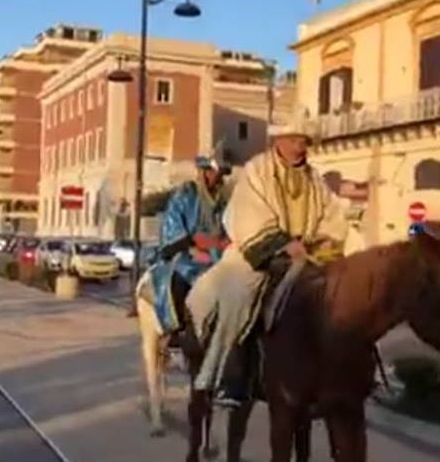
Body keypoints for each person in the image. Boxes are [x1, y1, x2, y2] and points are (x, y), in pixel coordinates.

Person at [187, 113, 349, 407]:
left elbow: (332, 214)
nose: (300, 147)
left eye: (304, 141)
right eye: (294, 140)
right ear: (279, 141)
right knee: (239, 295)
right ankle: (230, 376)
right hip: (255, 253)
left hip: (306, 253)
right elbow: (250, 215)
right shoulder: (257, 170)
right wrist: (282, 244)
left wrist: (325, 240)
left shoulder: (314, 178)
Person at [148, 150, 231, 336]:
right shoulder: (185, 196)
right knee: (179, 278)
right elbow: (173, 229)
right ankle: (176, 329)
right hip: (187, 254)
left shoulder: (223, 201)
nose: (217, 177)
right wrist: (193, 250)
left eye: (219, 174)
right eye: (213, 172)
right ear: (203, 172)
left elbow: (229, 227)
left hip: (218, 254)